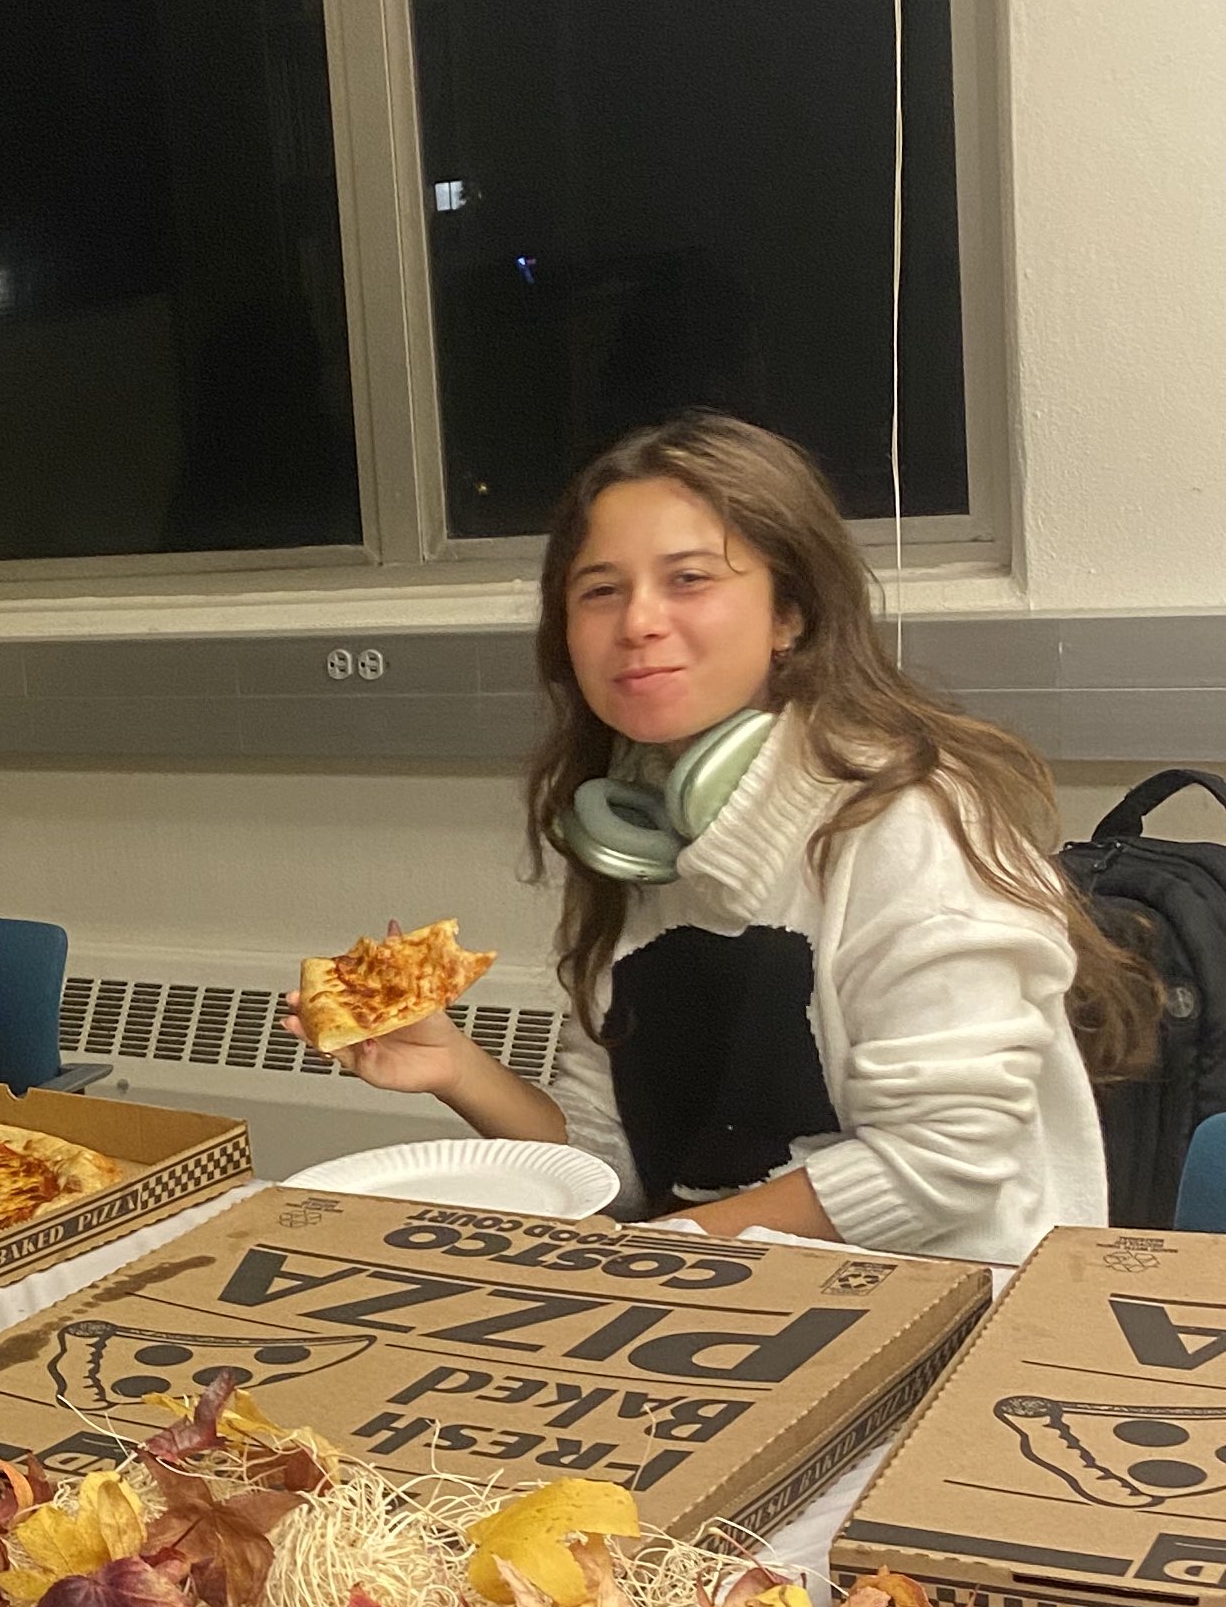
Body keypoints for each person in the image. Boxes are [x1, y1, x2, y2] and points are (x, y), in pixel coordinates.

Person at [308, 412, 1154, 1263]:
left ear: (789, 613)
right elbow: (610, 1166)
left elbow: (942, 1163)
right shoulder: (635, 831)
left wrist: (649, 1256)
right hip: (724, 1297)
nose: (637, 621)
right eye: (600, 590)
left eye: (688, 579)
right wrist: (454, 1065)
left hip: (947, 1311)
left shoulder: (908, 821)